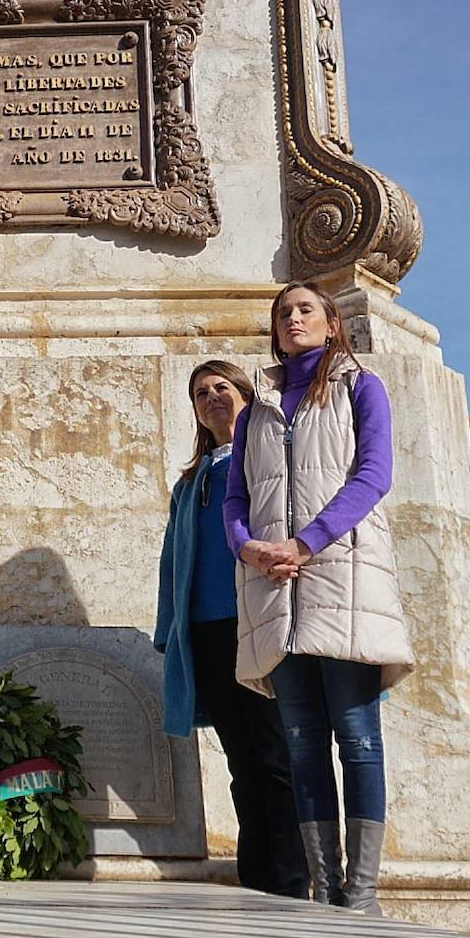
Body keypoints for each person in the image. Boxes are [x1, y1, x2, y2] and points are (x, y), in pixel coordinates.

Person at [224, 281, 414, 914]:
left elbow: (374, 474)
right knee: (302, 741)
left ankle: (361, 893)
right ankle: (323, 888)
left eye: (305, 309)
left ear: (332, 323)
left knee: (357, 735)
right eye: (284, 313)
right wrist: (248, 547)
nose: (293, 318)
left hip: (340, 576)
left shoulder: (361, 387)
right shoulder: (257, 408)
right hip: (274, 587)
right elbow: (236, 498)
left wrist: (305, 543)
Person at [153, 360, 308, 899]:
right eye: (200, 393)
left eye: (222, 387)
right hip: (206, 629)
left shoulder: (265, 455)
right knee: (241, 759)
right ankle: (257, 877)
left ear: (245, 393)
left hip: (257, 621)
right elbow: (174, 559)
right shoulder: (191, 480)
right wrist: (170, 630)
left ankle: (294, 877)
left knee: (275, 754)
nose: (212, 397)